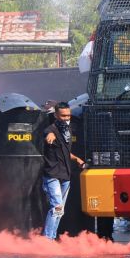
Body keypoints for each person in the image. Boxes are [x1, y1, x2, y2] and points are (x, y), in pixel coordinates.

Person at [40, 102, 84, 240]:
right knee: (57, 207)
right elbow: (49, 134)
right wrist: (50, 136)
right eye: (63, 116)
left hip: (65, 175)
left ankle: (51, 237)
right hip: (52, 175)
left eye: (68, 115)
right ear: (56, 115)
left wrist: (76, 159)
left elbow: (65, 152)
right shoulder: (51, 130)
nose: (66, 118)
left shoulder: (68, 131)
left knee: (60, 211)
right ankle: (47, 239)